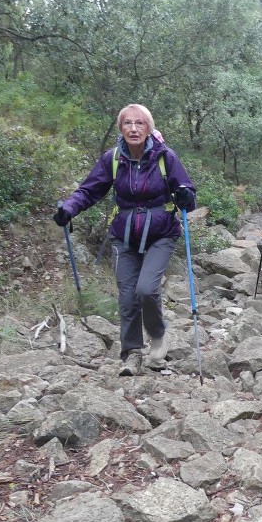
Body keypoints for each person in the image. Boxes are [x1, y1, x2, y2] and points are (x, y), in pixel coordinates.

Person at [53, 103, 196, 377]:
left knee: (145, 289)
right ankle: (132, 354)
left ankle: (158, 333)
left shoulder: (166, 157)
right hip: (124, 235)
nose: (133, 128)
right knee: (128, 297)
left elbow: (186, 188)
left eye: (139, 123)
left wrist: (186, 196)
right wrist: (69, 208)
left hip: (162, 233)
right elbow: (89, 190)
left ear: (149, 128)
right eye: (127, 123)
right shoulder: (113, 158)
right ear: (120, 128)